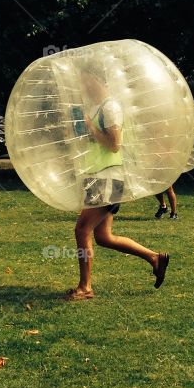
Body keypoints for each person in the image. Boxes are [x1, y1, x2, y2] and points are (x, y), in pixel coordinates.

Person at [66, 65, 169, 300]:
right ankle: (155, 258)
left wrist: (91, 128)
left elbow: (114, 145)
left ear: (98, 81)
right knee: (104, 237)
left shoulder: (110, 107)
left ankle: (85, 288)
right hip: (97, 176)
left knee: (82, 229)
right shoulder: (96, 108)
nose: (84, 87)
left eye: (87, 82)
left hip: (108, 178)